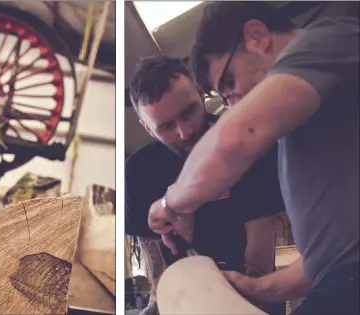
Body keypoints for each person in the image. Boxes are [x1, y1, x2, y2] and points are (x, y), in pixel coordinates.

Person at [147, 2, 359, 315]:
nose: (235, 105)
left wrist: (171, 204)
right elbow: (325, 262)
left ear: (257, 36)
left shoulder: (325, 42)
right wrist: (255, 287)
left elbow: (234, 139)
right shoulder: (302, 136)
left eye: (230, 83)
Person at [126, 55, 286, 315]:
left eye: (188, 111)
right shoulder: (139, 172)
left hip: (250, 291)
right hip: (179, 294)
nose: (184, 131)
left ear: (201, 94)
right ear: (147, 128)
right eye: (166, 126)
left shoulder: (252, 146)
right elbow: (155, 264)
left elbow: (259, 252)